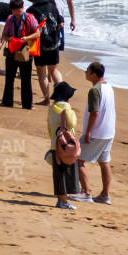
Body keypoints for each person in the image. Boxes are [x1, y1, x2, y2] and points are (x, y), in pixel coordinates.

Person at [35, 0, 76, 101]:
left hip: (58, 25)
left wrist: (73, 19)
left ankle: (56, 95)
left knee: (50, 65)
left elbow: (70, 3)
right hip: (44, 24)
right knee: (49, 66)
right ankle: (56, 96)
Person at [78, 61, 115, 204]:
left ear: (93, 74)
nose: (85, 72)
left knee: (78, 159)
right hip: (109, 131)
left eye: (87, 70)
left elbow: (94, 113)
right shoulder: (109, 87)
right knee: (104, 162)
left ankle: (86, 192)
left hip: (97, 132)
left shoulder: (95, 90)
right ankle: (105, 195)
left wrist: (88, 132)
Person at [47, 81, 81, 209]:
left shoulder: (51, 108)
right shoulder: (66, 108)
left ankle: (62, 200)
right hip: (67, 146)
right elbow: (71, 123)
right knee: (67, 173)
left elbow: (49, 128)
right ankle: (63, 201)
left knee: (58, 173)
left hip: (55, 145)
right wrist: (70, 110)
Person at [0, 0, 38, 109]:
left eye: (20, 8)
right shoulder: (10, 18)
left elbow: (37, 33)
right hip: (12, 50)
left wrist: (26, 38)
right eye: (16, 9)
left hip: (25, 52)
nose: (18, 11)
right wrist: (7, 39)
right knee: (9, 78)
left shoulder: (30, 18)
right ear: (12, 10)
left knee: (26, 79)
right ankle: (7, 102)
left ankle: (27, 105)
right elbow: (4, 33)